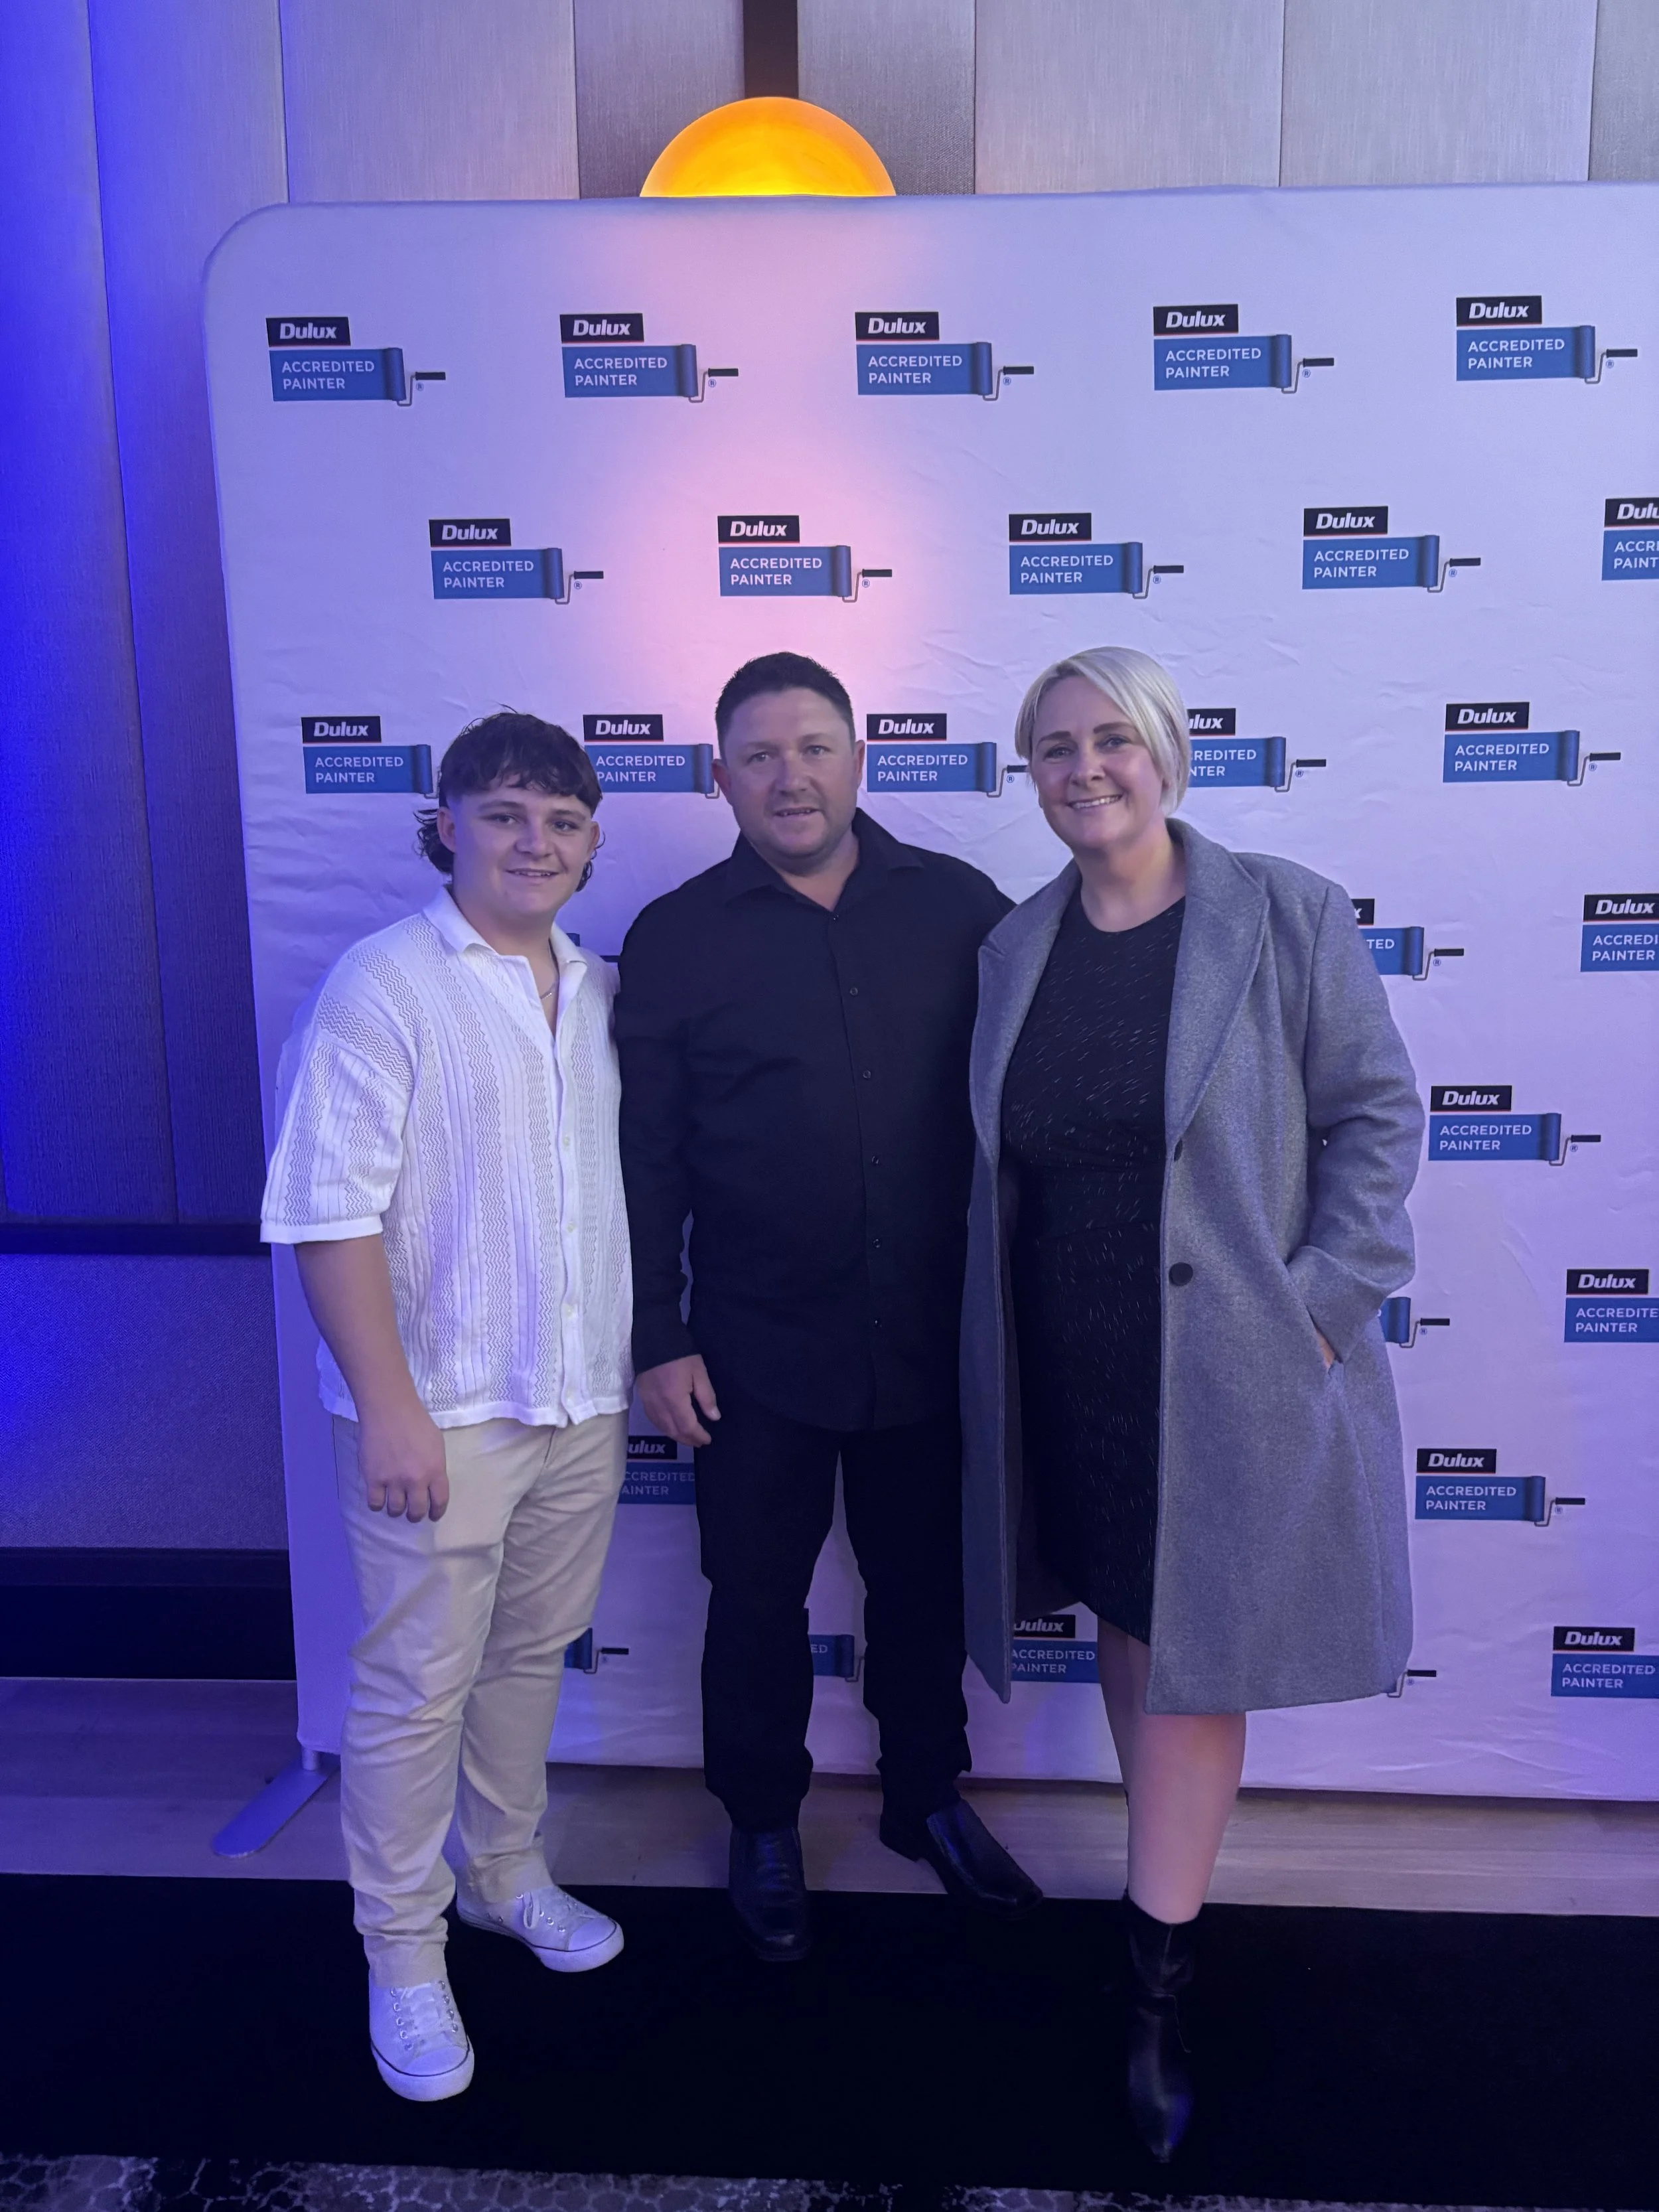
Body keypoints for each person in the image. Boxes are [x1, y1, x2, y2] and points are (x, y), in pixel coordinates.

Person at [960, 648, 1423, 2160]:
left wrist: (1320, 1305)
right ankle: (1154, 1899)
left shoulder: (1281, 912)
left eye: (1108, 739)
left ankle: (1154, 1979)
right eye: (1050, 748)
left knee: (1189, 1658)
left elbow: (1373, 1113)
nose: (1081, 769)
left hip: (1229, 1362)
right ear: (1025, 775)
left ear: (1162, 752)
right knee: (1131, 1634)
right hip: (1069, 1363)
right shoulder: (1013, 947)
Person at [616, 650, 1041, 1962]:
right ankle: (760, 1820)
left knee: (918, 1588)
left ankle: (924, 1799)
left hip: (932, 1338)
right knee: (753, 1599)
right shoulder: (677, 935)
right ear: (719, 776)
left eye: (811, 747)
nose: (786, 776)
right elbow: (645, 1161)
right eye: (757, 754)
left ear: (858, 759)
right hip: (750, 1352)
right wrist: (657, 1332)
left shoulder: (962, 907)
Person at [261, 712, 632, 2102]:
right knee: (414, 1693)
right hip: (436, 1416)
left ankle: (506, 1875)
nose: (534, 842)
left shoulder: (594, 991)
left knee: (526, 1660)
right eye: (504, 815)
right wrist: (390, 1408)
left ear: (591, 844)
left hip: (575, 1401)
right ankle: (401, 1952)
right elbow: (323, 1214)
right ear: (446, 828)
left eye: (561, 820)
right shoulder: (382, 986)